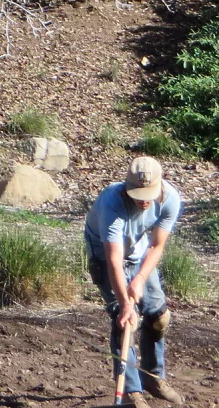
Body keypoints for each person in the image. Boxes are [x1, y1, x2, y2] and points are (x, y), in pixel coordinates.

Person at [84, 156, 185, 407]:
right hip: (104, 255)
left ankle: (152, 377)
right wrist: (126, 303)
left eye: (147, 194)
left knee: (159, 317)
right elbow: (114, 260)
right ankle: (130, 392)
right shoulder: (112, 202)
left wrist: (140, 277)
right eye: (137, 194)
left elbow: (157, 244)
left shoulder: (170, 198)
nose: (143, 200)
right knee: (125, 320)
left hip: (140, 253)